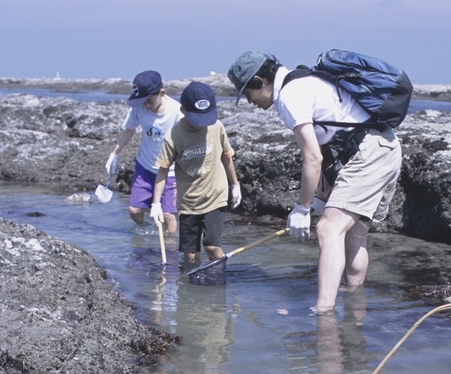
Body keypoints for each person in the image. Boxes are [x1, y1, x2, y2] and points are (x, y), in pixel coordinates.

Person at [227, 52, 402, 312]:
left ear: (259, 81)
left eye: (247, 93)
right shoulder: (303, 79)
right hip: (385, 146)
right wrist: (320, 197)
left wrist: (302, 208)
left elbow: (312, 158)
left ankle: (323, 314)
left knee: (328, 229)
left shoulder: (289, 96)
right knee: (354, 235)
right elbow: (331, 146)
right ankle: (354, 311)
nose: (249, 101)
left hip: (369, 153)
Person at [150, 81, 241, 261]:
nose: (201, 124)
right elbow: (163, 170)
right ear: (183, 110)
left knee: (212, 247)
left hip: (215, 196)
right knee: (190, 255)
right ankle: (193, 279)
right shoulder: (174, 136)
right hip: (188, 203)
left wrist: (235, 185)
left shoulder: (217, 127)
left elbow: (226, 156)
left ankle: (219, 277)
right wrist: (156, 203)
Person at [105, 69, 181, 232]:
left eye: (149, 101)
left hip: (170, 171)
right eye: (143, 101)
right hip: (145, 166)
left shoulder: (176, 111)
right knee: (134, 210)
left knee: (168, 216)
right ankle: (146, 231)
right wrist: (114, 154)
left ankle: (171, 245)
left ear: (162, 93)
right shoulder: (138, 107)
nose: (146, 105)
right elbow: (129, 130)